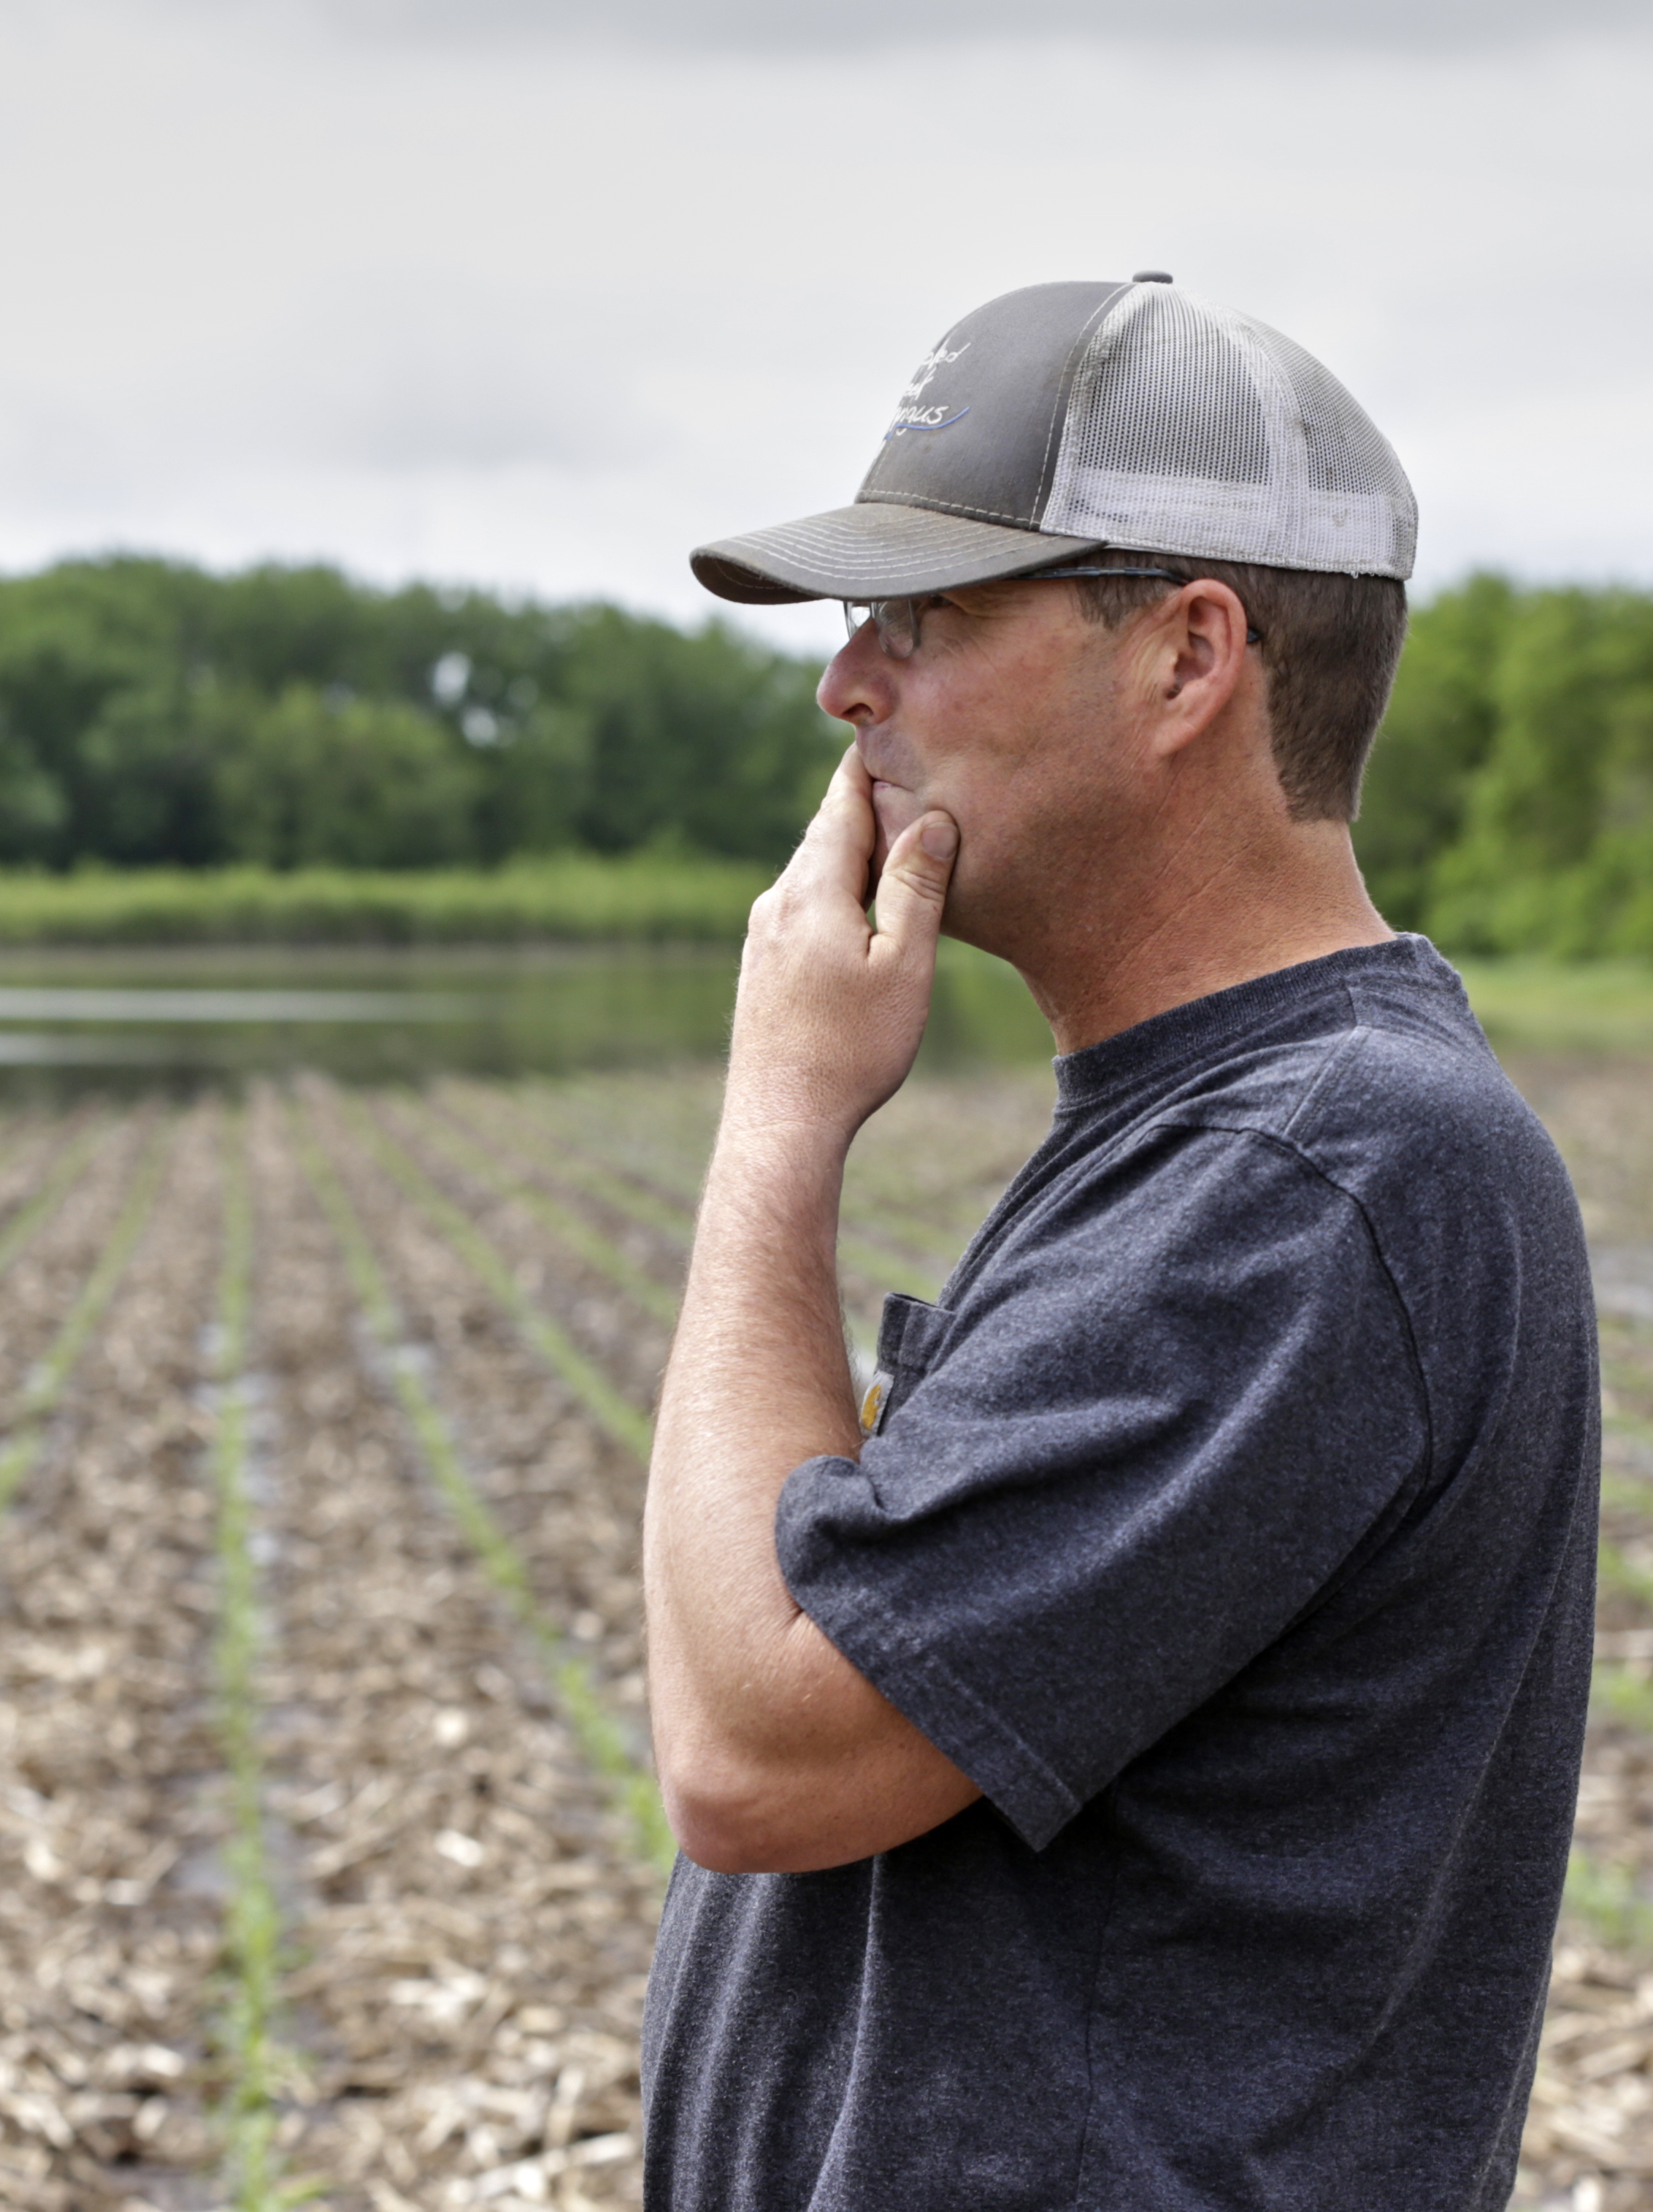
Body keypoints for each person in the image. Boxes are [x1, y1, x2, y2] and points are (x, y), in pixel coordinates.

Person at [637, 275, 1601, 2209]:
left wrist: (777, 1128)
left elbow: (761, 1747)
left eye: (923, 618)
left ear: (1186, 660)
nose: (847, 688)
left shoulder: (1325, 1171)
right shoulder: (1228, 1131)